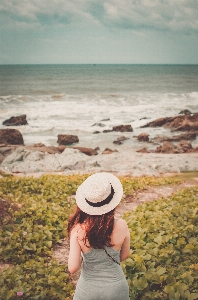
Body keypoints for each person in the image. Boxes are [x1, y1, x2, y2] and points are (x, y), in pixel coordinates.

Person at [67, 172, 130, 300]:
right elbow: (124, 256)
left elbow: (73, 268)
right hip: (116, 288)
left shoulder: (78, 230)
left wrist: (82, 257)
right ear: (113, 202)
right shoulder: (122, 225)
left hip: (88, 290)